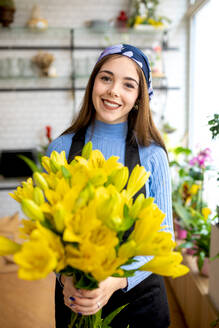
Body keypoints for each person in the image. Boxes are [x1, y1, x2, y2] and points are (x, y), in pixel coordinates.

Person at [46, 44, 173, 328]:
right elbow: (47, 233)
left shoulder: (152, 155)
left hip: (140, 300)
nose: (114, 90)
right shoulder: (60, 149)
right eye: (106, 78)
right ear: (93, 83)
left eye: (128, 85)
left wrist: (115, 282)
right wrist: (65, 278)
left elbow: (163, 239)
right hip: (76, 296)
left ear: (140, 97)